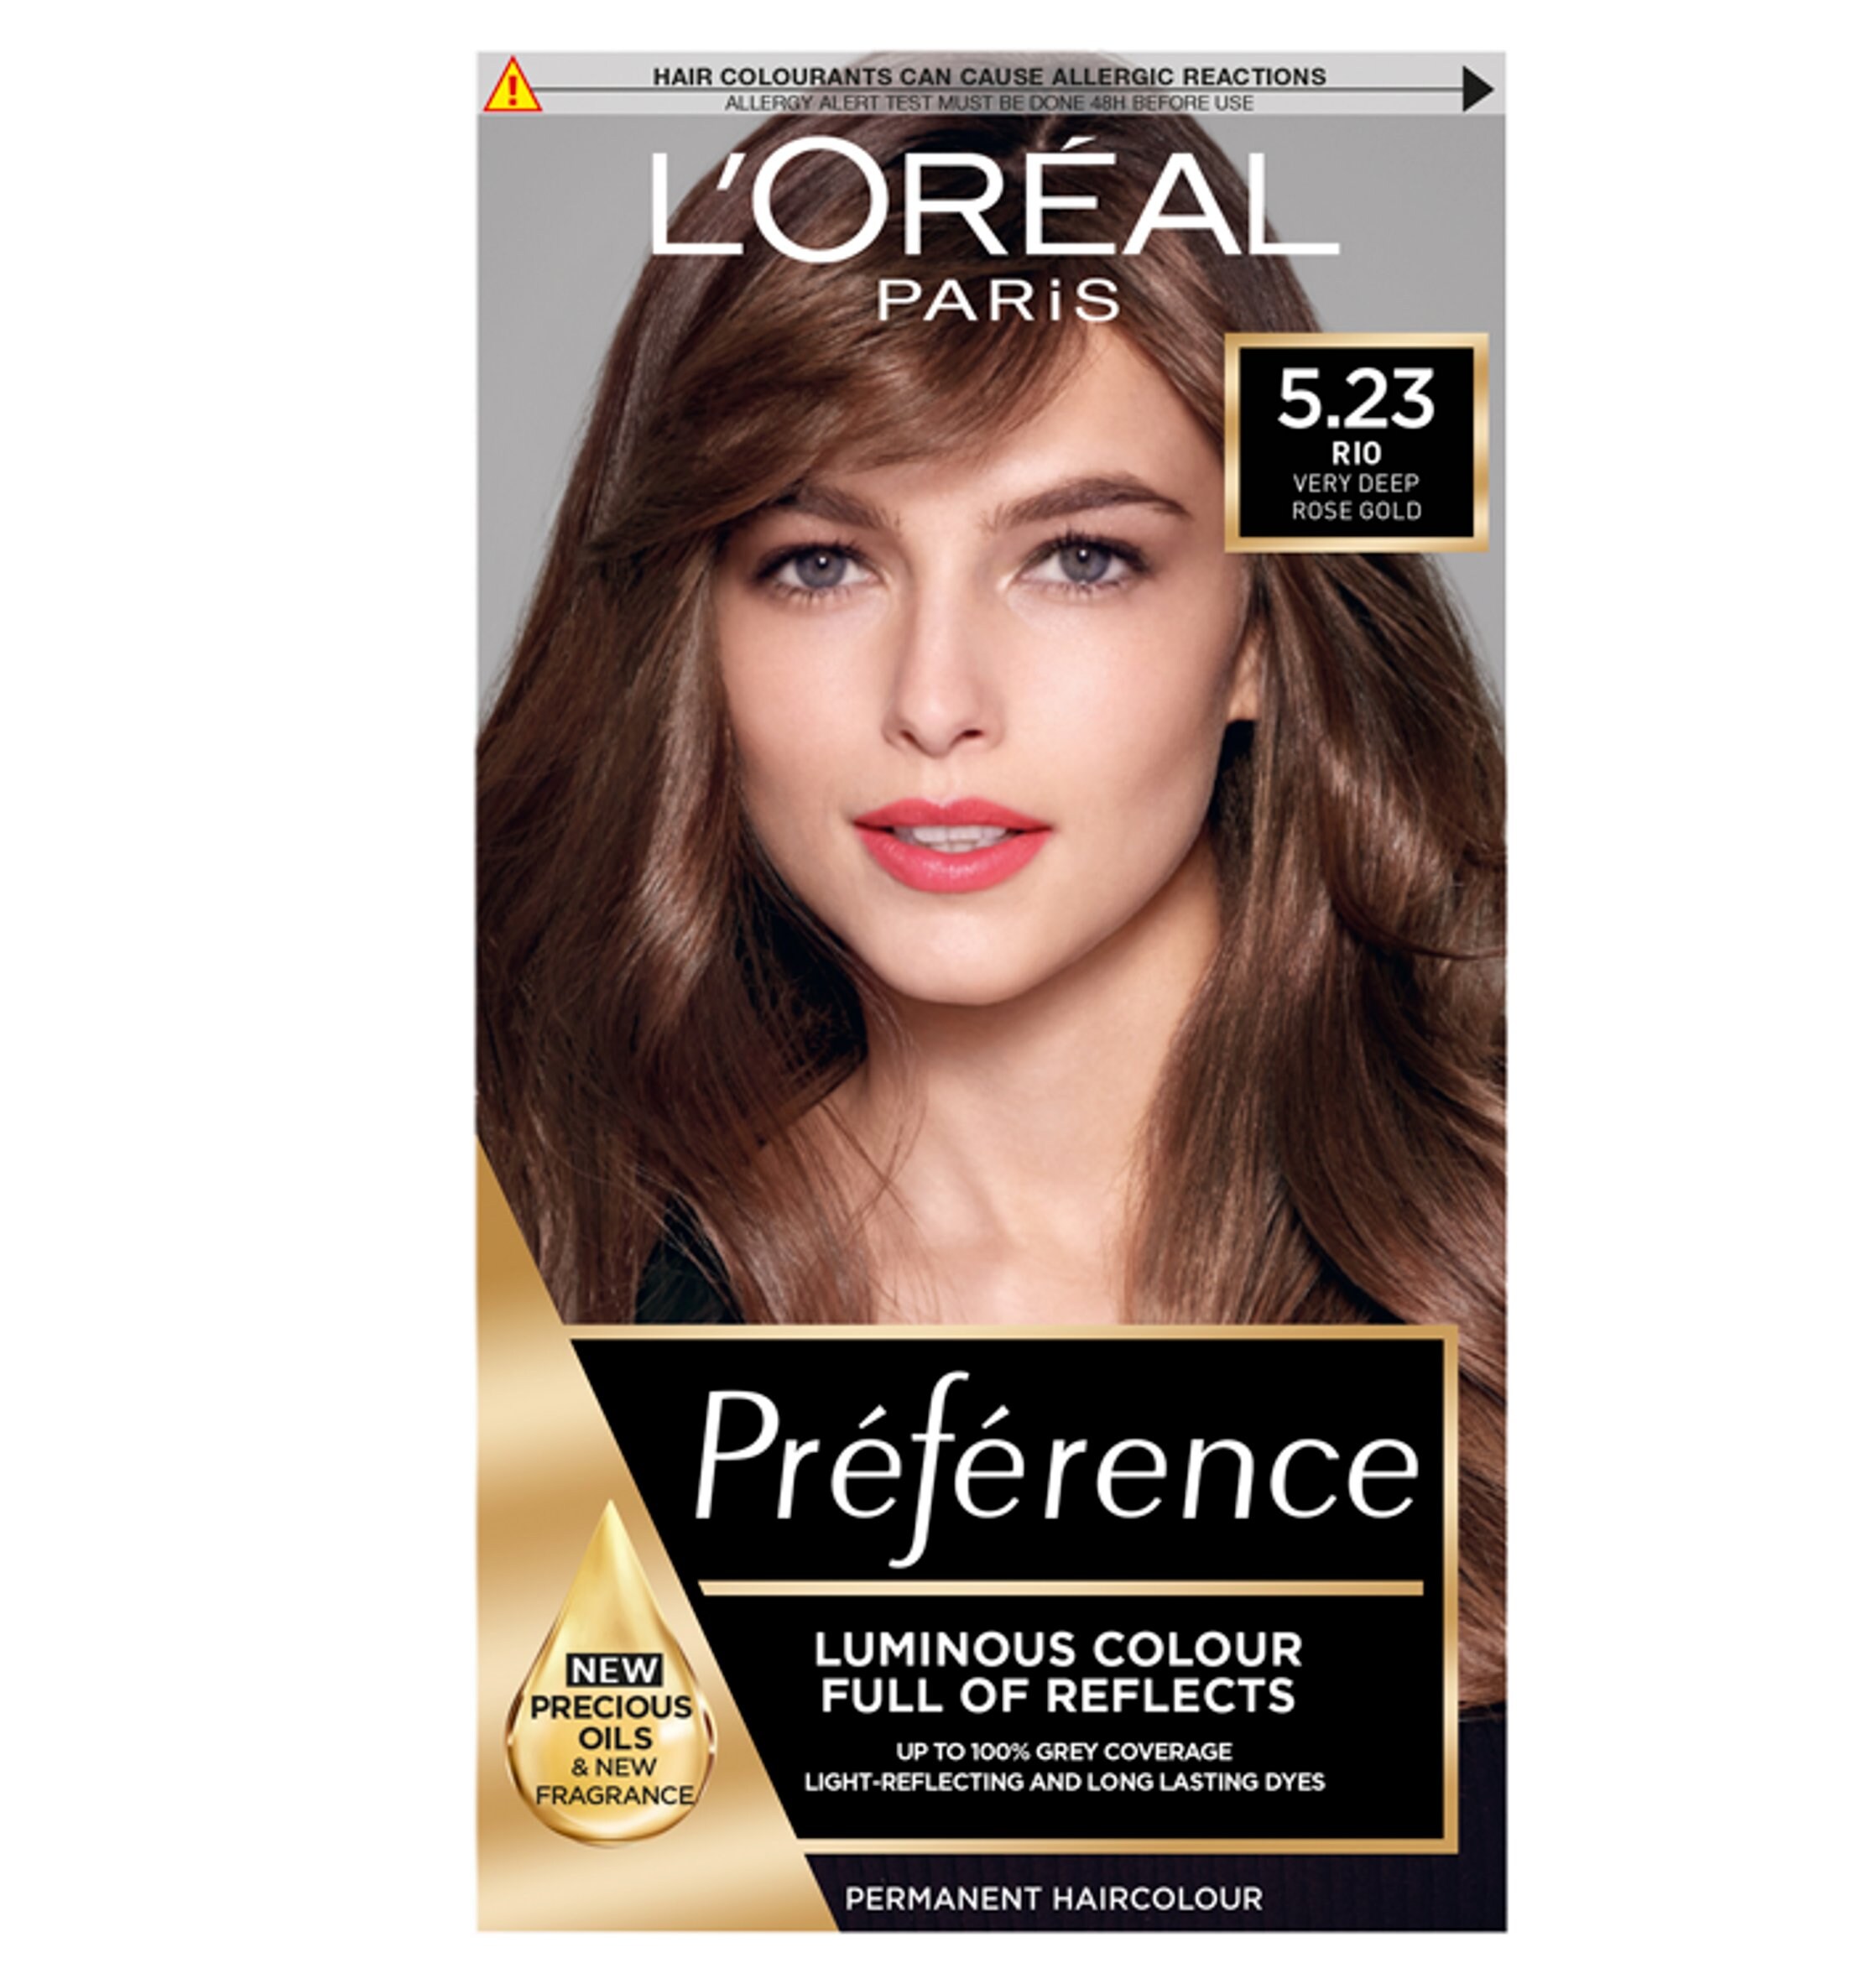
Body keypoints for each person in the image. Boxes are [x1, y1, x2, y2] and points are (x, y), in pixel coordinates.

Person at [478, 107, 1504, 1710]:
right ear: (695, 631)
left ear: (1262, 630)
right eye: (820, 562)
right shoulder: (533, 1302)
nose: (935, 699)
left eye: (1080, 557)